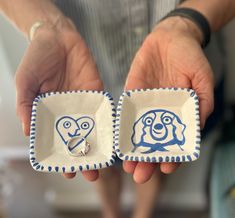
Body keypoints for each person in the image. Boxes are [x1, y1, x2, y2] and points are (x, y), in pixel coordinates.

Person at [0, 0, 235, 218]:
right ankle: (111, 214)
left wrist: (190, 21)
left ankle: (142, 214)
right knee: (98, 165)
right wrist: (47, 26)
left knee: (156, 162)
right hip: (76, 72)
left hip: (178, 70)